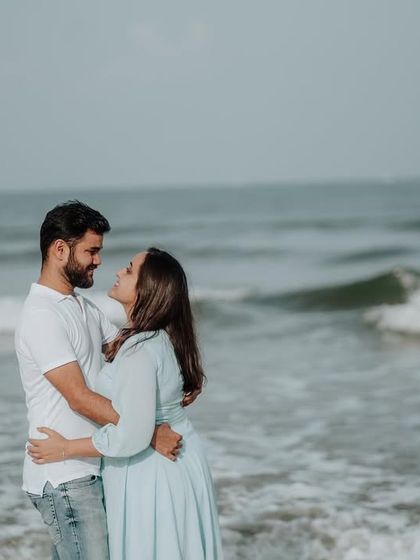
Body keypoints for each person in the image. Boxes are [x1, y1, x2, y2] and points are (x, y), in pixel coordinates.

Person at [28, 247, 224, 560]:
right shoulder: (154, 337)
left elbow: (131, 434)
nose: (117, 270)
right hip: (175, 463)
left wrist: (64, 448)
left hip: (152, 474)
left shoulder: (139, 350)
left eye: (130, 269)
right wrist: (152, 429)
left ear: (147, 289)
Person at [15, 201, 184, 560]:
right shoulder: (42, 316)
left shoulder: (82, 307)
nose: (98, 261)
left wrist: (181, 371)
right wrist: (149, 433)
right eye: (91, 251)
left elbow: (129, 352)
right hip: (64, 476)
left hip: (87, 469)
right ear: (60, 249)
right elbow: (79, 397)